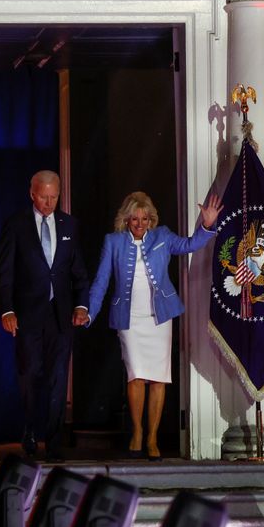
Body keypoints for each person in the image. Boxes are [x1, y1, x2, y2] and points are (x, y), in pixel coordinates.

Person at [87, 191, 222, 460]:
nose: (140, 223)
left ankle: (152, 438)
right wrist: (89, 313)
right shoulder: (113, 242)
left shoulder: (162, 236)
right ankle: (137, 432)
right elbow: (101, 281)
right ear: (125, 220)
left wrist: (207, 225)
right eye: (134, 219)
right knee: (136, 375)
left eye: (145, 219)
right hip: (129, 319)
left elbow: (189, 245)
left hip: (159, 318)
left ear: (151, 219)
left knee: (158, 378)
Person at [0, 170, 89, 462]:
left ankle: (55, 440)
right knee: (30, 374)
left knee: (58, 377)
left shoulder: (69, 224)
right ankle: (31, 430)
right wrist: (7, 310)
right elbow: (4, 273)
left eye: (54, 197)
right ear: (32, 193)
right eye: (44, 197)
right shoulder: (17, 224)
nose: (49, 203)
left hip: (61, 315)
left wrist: (82, 305)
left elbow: (79, 272)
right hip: (28, 315)